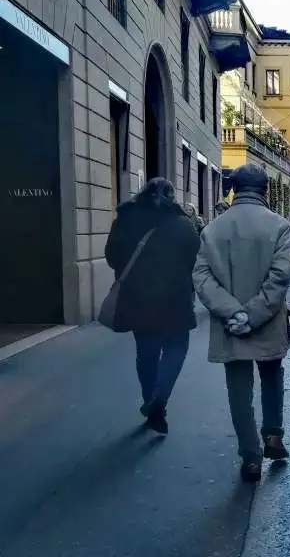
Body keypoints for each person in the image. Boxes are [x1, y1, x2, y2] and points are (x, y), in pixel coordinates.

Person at [193, 164, 290, 483]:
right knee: (272, 375)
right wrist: (253, 315)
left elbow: (201, 276)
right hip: (268, 321)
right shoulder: (279, 226)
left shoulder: (213, 228)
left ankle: (250, 456)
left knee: (238, 389)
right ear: (264, 189)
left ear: (234, 188)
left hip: (229, 325)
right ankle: (273, 436)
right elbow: (279, 278)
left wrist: (233, 313)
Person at [105, 178, 200, 434]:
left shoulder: (124, 219)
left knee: (146, 354)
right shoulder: (182, 225)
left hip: (137, 299)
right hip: (174, 300)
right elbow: (194, 259)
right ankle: (159, 399)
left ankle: (151, 403)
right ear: (171, 197)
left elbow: (112, 257)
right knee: (176, 348)